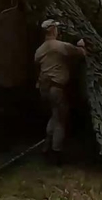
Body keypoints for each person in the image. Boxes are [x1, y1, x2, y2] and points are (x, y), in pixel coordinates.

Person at [33, 19, 86, 165]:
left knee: (54, 116)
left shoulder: (39, 51)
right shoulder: (60, 46)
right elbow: (82, 53)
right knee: (61, 120)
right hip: (57, 88)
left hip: (44, 88)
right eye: (56, 28)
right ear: (52, 30)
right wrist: (81, 42)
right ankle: (56, 153)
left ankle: (46, 147)